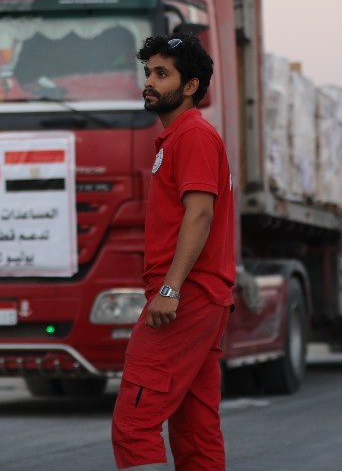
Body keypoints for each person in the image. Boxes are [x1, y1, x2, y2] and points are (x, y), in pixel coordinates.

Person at [111, 33, 234, 471]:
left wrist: (170, 289)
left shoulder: (193, 136)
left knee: (134, 423)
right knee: (196, 427)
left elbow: (199, 215)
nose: (149, 81)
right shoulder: (178, 137)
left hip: (187, 297)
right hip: (201, 296)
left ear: (190, 86)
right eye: (148, 72)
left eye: (162, 74)